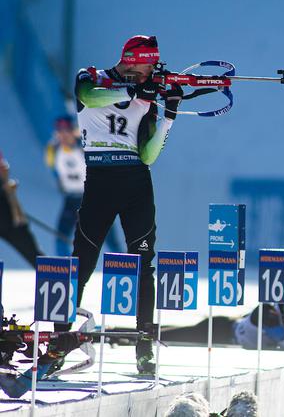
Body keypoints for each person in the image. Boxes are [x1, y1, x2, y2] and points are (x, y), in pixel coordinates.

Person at [54, 35, 183, 375]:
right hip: (100, 182)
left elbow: (149, 155)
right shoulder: (92, 77)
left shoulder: (147, 95)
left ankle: (144, 346)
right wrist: (133, 92)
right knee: (81, 261)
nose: (151, 72)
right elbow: (86, 97)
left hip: (136, 182)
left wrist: (168, 116)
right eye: (147, 65)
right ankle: (59, 341)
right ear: (129, 59)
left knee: (144, 263)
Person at [45, 115, 123, 256]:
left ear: (73, 131)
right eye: (60, 131)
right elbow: (55, 171)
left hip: (93, 198)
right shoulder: (53, 150)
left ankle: (126, 268)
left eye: (66, 131)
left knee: (110, 241)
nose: (63, 135)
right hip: (71, 199)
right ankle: (64, 271)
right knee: (60, 238)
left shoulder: (84, 146)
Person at [0, 150, 43, 267]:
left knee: (36, 258)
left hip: (8, 218)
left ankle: (57, 279)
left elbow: (4, 169)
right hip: (7, 216)